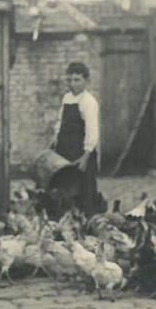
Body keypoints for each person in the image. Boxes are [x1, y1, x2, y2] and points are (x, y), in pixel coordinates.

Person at [47, 62, 102, 217]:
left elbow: (92, 132)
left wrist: (85, 157)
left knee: (84, 190)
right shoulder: (67, 98)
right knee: (64, 189)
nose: (73, 84)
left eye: (77, 80)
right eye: (70, 80)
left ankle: (88, 222)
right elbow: (60, 121)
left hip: (80, 152)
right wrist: (55, 138)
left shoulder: (89, 101)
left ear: (86, 81)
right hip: (64, 151)